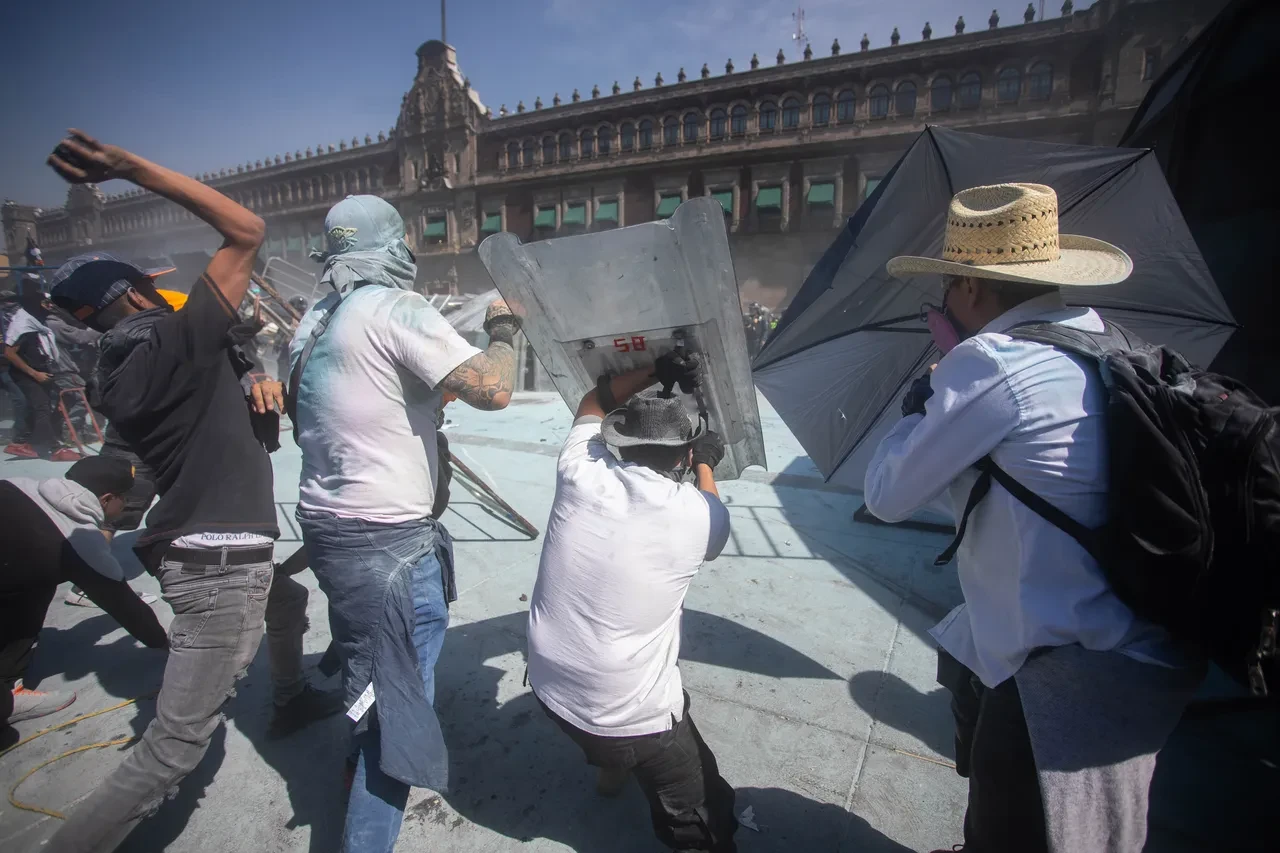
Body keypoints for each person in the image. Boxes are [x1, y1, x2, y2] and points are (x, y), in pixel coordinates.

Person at [864, 183, 1201, 853]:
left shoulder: (991, 362)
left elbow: (886, 493)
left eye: (948, 289)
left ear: (968, 285)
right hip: (1146, 641)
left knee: (1013, 827)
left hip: (1063, 674)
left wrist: (924, 402)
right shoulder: (1109, 341)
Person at [43, 129, 340, 853]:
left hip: (189, 544)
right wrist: (128, 168)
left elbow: (218, 411)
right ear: (140, 293)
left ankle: (292, 696)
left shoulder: (116, 373)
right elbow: (247, 231)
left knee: (290, 601)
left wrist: (249, 378)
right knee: (172, 749)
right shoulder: (175, 339)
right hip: (223, 562)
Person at [288, 194, 517, 853]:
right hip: (386, 545)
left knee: (369, 673)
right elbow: (493, 388)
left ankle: (355, 752)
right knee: (398, 725)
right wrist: (504, 330)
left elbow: (367, 399)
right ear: (392, 247)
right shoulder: (394, 308)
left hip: (331, 533)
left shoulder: (316, 318)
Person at [526, 353, 738, 853]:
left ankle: (609, 772)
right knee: (701, 809)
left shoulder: (580, 470)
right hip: (627, 716)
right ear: (683, 457)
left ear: (618, 442)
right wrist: (706, 461)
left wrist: (653, 370)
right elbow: (714, 513)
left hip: (550, 690)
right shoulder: (696, 516)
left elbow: (592, 400)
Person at [2, 456, 168, 731]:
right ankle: (6, 699)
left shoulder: (17, 485)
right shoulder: (80, 541)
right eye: (123, 499)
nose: (125, 506)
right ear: (105, 499)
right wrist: (163, 641)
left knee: (38, 581)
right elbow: (125, 605)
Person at [3, 281, 81, 460]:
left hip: (41, 370)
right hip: (28, 373)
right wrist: (34, 374)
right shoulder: (23, 323)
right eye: (45, 303)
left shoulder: (35, 321)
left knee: (48, 405)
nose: (50, 306)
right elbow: (9, 352)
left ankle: (26, 443)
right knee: (42, 408)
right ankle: (52, 450)